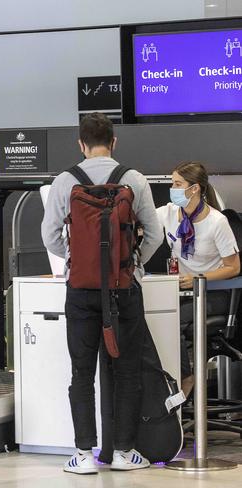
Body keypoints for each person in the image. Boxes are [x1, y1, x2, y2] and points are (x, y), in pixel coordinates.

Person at [41, 113, 163, 474]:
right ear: (113, 142)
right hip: (123, 291)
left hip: (80, 291)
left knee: (82, 372)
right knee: (127, 372)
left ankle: (82, 454)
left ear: (81, 144)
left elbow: (49, 236)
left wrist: (77, 260)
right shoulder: (133, 179)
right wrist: (129, 265)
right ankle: (124, 452)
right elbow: (155, 235)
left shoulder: (65, 181)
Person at [156, 162, 240, 396]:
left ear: (194, 189)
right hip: (181, 292)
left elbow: (233, 267)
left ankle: (187, 377)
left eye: (177, 184)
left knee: (172, 320)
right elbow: (142, 222)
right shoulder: (169, 212)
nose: (172, 189)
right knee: (155, 316)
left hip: (212, 292)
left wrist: (197, 278)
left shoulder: (217, 222)